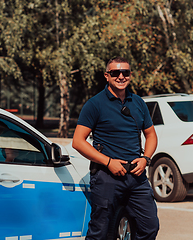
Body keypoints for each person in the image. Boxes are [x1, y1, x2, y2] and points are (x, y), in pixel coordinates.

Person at [72, 57, 159, 240]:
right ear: (107, 76)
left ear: (130, 75)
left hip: (137, 177)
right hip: (107, 177)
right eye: (115, 73)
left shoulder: (138, 103)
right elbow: (78, 141)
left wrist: (146, 159)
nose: (121, 76)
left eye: (125, 72)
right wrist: (108, 162)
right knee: (100, 232)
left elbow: (151, 135)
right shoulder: (95, 104)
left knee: (149, 227)